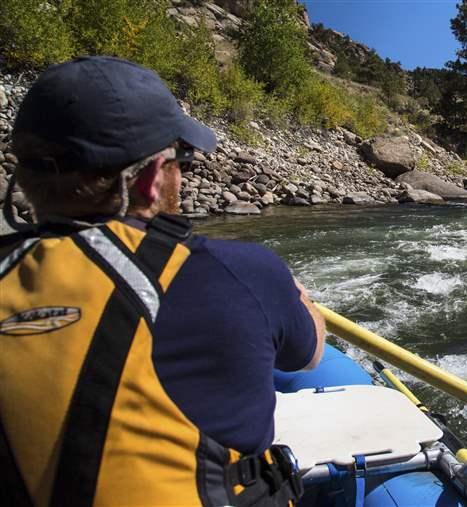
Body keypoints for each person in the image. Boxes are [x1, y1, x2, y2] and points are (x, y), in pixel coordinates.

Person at [0, 56, 325, 506]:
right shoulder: (242, 273)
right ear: (153, 177)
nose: (184, 174)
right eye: (183, 158)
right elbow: (309, 356)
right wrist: (298, 299)